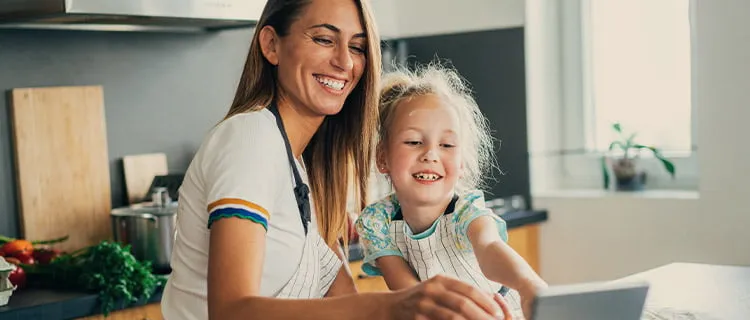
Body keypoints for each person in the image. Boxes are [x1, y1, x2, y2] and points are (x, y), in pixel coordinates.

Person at [161, 0, 514, 319]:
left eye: (357, 47)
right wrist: (396, 305)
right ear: (271, 45)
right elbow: (231, 312)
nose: (345, 62)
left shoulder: (300, 170)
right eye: (323, 39)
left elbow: (340, 298)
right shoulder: (251, 138)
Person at [355, 62, 549, 319]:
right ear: (383, 158)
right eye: (414, 142)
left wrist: (528, 286)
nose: (431, 154)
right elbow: (410, 293)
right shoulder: (376, 222)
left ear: (461, 165)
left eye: (447, 144)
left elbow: (489, 246)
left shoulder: (466, 211)